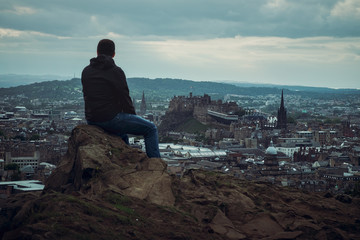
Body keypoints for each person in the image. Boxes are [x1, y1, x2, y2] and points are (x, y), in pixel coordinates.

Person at [81, 39, 161, 158]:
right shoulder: (115, 71)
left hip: (92, 119)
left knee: (122, 135)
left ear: (97, 52)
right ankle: (156, 165)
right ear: (114, 54)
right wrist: (132, 117)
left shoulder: (86, 71)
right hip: (110, 119)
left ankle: (126, 159)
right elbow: (125, 98)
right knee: (151, 129)